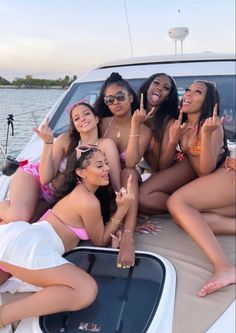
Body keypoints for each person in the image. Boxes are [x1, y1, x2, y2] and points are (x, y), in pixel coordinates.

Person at [0, 146, 133, 328]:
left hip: (19, 236)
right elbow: (99, 240)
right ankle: (5, 315)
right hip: (28, 245)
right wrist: (123, 208)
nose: (107, 169)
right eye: (100, 165)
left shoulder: (80, 193)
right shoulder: (88, 202)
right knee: (85, 290)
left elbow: (100, 233)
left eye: (107, 164)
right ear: (81, 172)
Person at [166, 80, 236, 296]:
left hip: (228, 176)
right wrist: (172, 141)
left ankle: (224, 268)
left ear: (207, 102)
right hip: (218, 188)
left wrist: (206, 135)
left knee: (176, 203)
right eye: (187, 90)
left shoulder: (210, 126)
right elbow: (165, 164)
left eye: (197, 92)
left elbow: (204, 170)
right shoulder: (182, 126)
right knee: (184, 219)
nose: (188, 94)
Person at [0, 101, 121, 223]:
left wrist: (121, 221)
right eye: (77, 118)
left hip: (53, 199)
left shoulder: (105, 145)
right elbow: (45, 179)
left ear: (96, 119)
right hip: (34, 177)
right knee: (19, 216)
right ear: (74, 125)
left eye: (86, 114)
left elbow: (116, 184)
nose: (82, 119)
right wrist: (48, 142)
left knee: (15, 225)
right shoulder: (66, 140)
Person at [94, 72, 153, 268]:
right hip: (103, 181)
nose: (115, 103)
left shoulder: (144, 130)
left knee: (128, 172)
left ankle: (128, 235)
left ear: (131, 97)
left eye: (120, 96)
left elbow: (131, 161)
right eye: (109, 100)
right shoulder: (101, 123)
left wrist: (135, 126)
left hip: (126, 182)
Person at [138, 73, 197, 214]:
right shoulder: (136, 116)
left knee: (143, 198)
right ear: (148, 87)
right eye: (156, 83)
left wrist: (172, 141)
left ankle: (195, 209)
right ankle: (184, 206)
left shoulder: (168, 121)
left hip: (180, 165)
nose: (159, 88)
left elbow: (163, 165)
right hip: (159, 170)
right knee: (141, 205)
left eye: (166, 88)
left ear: (168, 96)